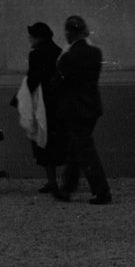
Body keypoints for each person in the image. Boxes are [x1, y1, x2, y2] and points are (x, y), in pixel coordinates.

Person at [49, 14, 112, 204]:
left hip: (73, 109)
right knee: (76, 148)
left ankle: (101, 191)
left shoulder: (68, 57)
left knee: (84, 149)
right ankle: (67, 189)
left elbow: (56, 83)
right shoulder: (96, 53)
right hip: (91, 106)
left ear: (69, 33)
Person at [20, 20, 63, 194]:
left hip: (42, 101)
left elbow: (33, 78)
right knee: (61, 140)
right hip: (57, 100)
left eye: (31, 36)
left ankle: (51, 180)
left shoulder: (36, 55)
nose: (29, 39)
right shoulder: (59, 52)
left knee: (43, 141)